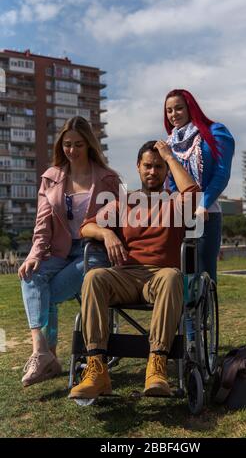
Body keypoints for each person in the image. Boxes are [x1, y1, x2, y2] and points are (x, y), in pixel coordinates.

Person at [69, 140, 200, 400]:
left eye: (159, 167)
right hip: (126, 276)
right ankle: (96, 371)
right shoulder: (123, 203)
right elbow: (85, 227)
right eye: (148, 166)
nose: (153, 172)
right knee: (94, 276)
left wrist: (170, 156)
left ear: (167, 171)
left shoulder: (176, 203)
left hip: (161, 276)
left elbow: (194, 194)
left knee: (173, 276)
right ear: (138, 167)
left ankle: (157, 367)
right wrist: (106, 233)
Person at [19, 116, 120, 387]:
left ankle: (49, 358)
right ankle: (41, 351)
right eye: (67, 145)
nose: (72, 150)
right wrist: (34, 255)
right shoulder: (51, 178)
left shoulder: (108, 179)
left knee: (47, 294)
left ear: (89, 144)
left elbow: (121, 220)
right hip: (60, 250)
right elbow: (43, 223)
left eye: (78, 144)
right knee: (31, 275)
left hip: (94, 252)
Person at [163, 89, 235, 284]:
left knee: (204, 275)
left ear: (190, 108)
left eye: (178, 108)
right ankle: (183, 314)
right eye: (169, 110)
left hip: (207, 212)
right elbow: (170, 180)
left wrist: (202, 204)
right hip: (180, 215)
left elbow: (221, 173)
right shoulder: (170, 144)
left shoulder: (216, 132)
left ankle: (201, 315)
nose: (173, 114)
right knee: (179, 275)